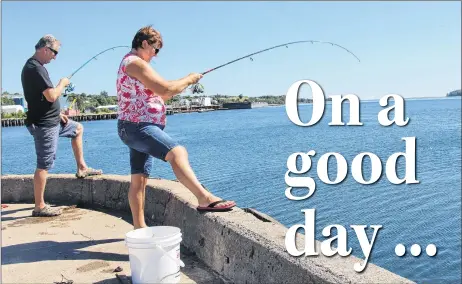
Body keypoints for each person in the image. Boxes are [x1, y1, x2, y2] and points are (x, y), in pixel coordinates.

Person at [116, 26, 236, 229]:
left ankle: (139, 228)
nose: (155, 55)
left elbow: (163, 93)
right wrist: (189, 78)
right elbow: (165, 88)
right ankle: (204, 197)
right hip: (138, 126)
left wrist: (185, 82)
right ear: (144, 43)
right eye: (155, 50)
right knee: (177, 152)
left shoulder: (135, 64)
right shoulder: (135, 63)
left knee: (139, 179)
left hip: (132, 127)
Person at [21, 34, 103, 217]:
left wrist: (57, 113)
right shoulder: (35, 68)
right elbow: (51, 95)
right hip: (44, 124)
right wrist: (62, 83)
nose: (55, 57)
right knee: (44, 164)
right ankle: (39, 206)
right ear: (45, 49)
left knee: (78, 129)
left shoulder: (34, 67)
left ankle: (82, 168)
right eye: (54, 52)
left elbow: (38, 97)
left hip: (52, 119)